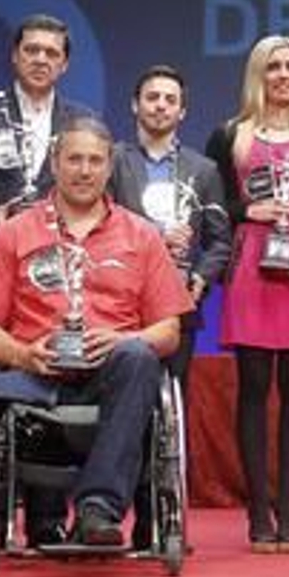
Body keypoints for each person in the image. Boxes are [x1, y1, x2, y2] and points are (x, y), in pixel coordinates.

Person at [0, 118, 194, 545]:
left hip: (113, 379)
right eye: (74, 159)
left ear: (109, 167)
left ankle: (97, 509)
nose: (84, 170)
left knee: (139, 357)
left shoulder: (142, 235)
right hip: (36, 377)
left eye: (94, 160)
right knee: (11, 383)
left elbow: (169, 331)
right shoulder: (15, 233)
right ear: (55, 163)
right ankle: (47, 514)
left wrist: (124, 340)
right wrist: (23, 354)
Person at [205, 35, 289, 553]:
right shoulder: (230, 136)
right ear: (257, 74)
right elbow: (213, 206)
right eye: (273, 67)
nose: (283, 75)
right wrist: (248, 211)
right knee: (254, 387)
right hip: (253, 270)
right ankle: (258, 511)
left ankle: (287, 510)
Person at [107, 65, 232, 403]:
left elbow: (220, 241)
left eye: (170, 99)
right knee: (120, 398)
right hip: (120, 300)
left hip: (179, 300)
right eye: (152, 97)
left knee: (174, 400)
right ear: (135, 105)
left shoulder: (204, 170)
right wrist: (156, 235)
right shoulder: (111, 161)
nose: (161, 105)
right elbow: (100, 224)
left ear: (182, 111)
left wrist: (201, 279)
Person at [0, 14, 96, 231]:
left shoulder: (83, 120)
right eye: (32, 50)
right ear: (15, 55)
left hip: (61, 243)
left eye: (52, 53)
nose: (41, 60)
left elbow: (94, 190)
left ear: (64, 64)